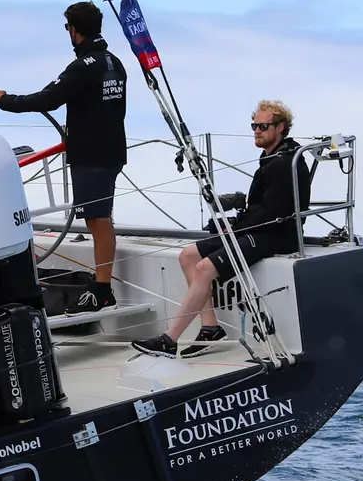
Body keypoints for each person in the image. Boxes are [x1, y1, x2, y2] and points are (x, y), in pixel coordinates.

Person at [133, 101, 312, 357]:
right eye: (254, 126)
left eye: (263, 126)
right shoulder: (271, 157)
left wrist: (235, 227)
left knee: (205, 268)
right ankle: (210, 328)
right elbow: (261, 209)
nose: (256, 131)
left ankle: (169, 340)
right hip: (260, 229)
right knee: (189, 256)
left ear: (280, 127)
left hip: (277, 235)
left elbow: (272, 213)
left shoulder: (283, 163)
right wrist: (233, 226)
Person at [0, 1, 127, 312]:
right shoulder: (114, 62)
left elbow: (47, 98)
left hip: (92, 155)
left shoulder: (82, 67)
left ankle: (102, 289)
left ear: (74, 31)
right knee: (98, 218)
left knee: (97, 219)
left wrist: (3, 99)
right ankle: (102, 286)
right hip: (112, 150)